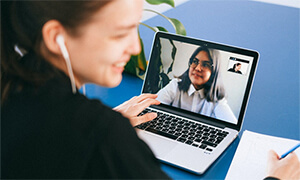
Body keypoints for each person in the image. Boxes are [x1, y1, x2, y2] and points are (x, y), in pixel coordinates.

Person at [1, 1, 299, 179]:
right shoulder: (105, 138)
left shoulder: (12, 88)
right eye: (119, 33)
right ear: (56, 36)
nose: (134, 48)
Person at [157, 47, 238, 124]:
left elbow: (231, 127)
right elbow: (153, 106)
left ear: (214, 72)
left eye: (205, 64)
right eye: (195, 61)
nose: (198, 68)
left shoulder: (217, 99)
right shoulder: (175, 85)